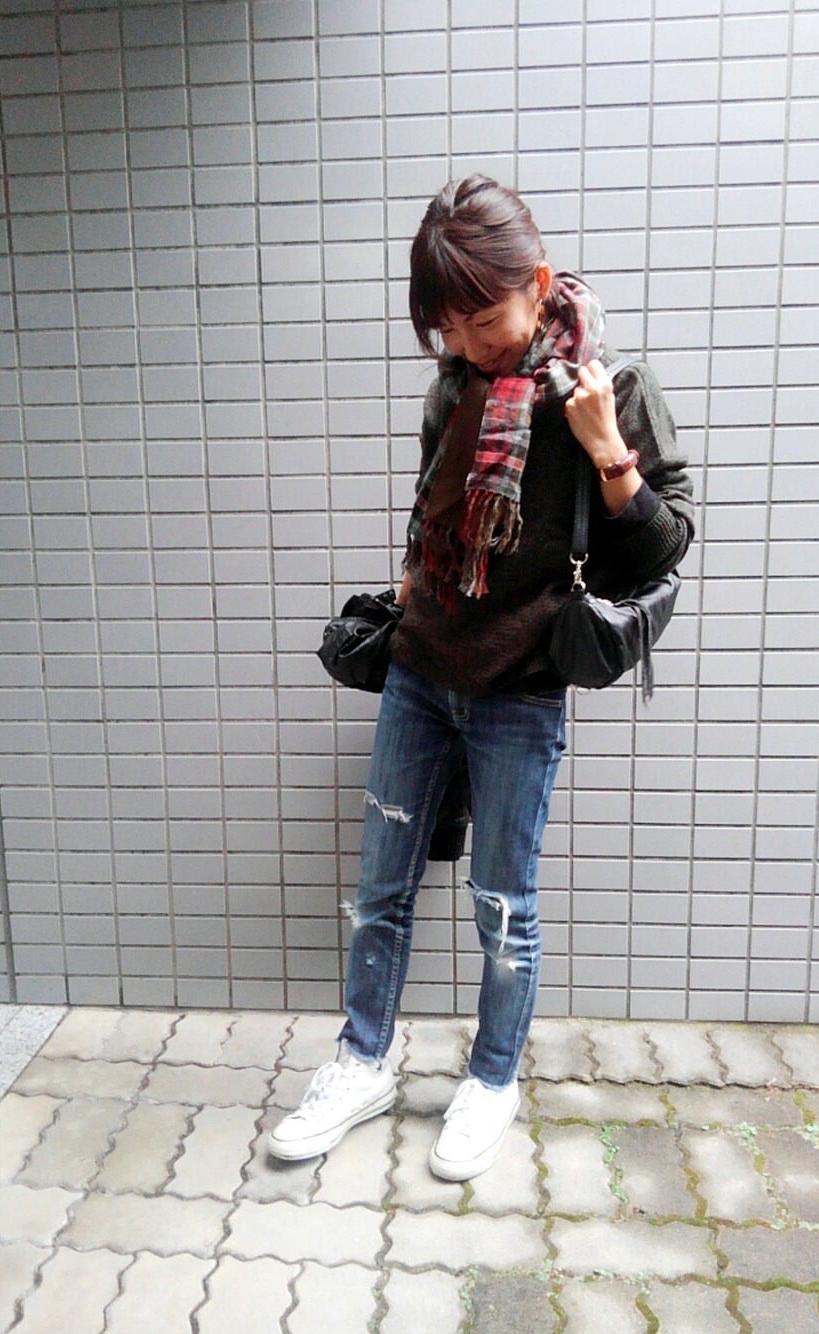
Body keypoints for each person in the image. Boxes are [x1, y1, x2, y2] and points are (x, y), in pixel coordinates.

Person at [268, 176, 694, 1180]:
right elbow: (433, 516)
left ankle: (493, 1078)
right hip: (421, 673)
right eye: (446, 328)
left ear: (537, 287)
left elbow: (663, 546)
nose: (467, 344)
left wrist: (608, 453)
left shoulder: (611, 388)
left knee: (504, 902)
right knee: (380, 889)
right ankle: (362, 1061)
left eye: (483, 320)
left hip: (520, 689)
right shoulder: (453, 386)